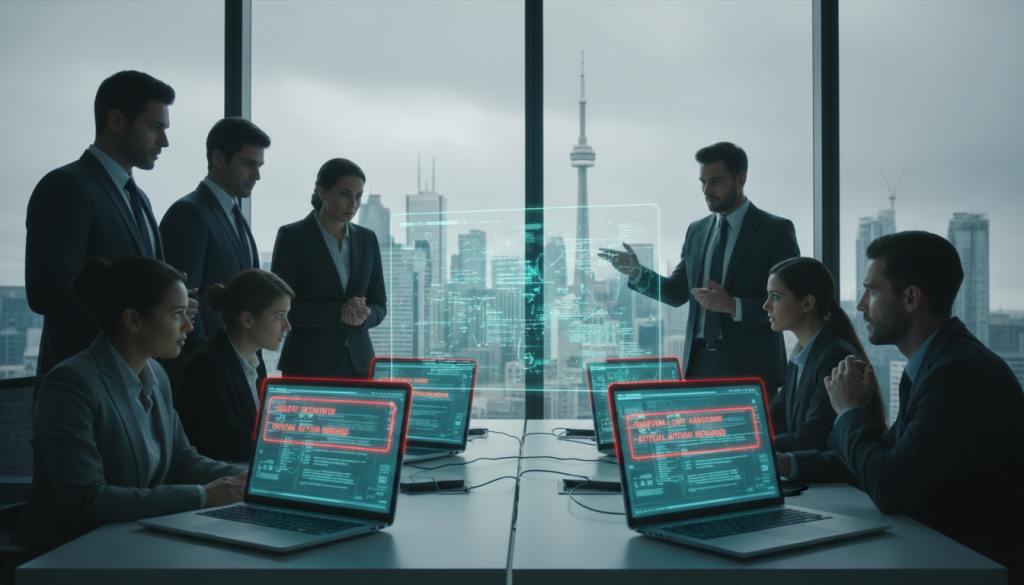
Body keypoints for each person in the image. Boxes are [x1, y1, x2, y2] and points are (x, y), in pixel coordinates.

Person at [776, 231, 1024, 579]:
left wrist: (849, 411)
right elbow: (883, 455)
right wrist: (785, 464)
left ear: (910, 299)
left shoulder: (958, 374)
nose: (861, 304)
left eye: (872, 291)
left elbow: (888, 485)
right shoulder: (936, 363)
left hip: (970, 563)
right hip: (935, 548)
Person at [11, 256, 247, 555]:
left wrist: (249, 479)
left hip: (132, 538)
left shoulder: (157, 375)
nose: (189, 324)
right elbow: (87, 501)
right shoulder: (71, 384)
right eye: (177, 314)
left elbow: (182, 460)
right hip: (67, 551)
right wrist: (203, 496)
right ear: (133, 320)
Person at [598, 142, 800, 396]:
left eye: (715, 181)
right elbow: (678, 292)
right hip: (699, 363)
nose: (707, 190)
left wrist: (732, 305)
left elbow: (790, 302)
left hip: (752, 366)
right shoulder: (697, 230)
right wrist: (637, 272)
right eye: (702, 182)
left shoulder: (775, 231)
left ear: (740, 179)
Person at [26, 71, 175, 375]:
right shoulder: (66, 185)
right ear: (117, 121)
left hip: (137, 382)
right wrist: (139, 317)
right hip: (82, 386)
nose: (165, 141)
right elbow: (48, 289)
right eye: (154, 127)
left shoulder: (140, 199)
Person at [160, 118, 271, 383]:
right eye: (249, 164)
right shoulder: (189, 213)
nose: (257, 175)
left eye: (259, 166)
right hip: (208, 375)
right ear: (219, 158)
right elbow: (183, 304)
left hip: (241, 369)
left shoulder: (235, 215)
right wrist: (208, 369)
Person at [271, 158, 386, 377]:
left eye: (358, 196)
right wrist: (339, 313)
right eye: (344, 194)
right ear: (322, 192)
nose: (353, 204)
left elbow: (379, 303)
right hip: (307, 363)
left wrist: (365, 315)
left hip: (359, 364)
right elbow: (283, 308)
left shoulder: (367, 239)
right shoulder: (292, 236)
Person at [763, 257, 886, 452]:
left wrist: (747, 445)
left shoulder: (835, 357)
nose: (766, 305)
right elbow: (773, 418)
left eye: (775, 297)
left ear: (807, 303)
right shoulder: (801, 355)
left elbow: (812, 439)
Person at [176, 270, 294, 462]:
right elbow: (231, 443)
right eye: (279, 316)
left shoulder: (255, 359)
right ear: (247, 319)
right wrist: (299, 447)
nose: (287, 326)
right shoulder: (206, 366)